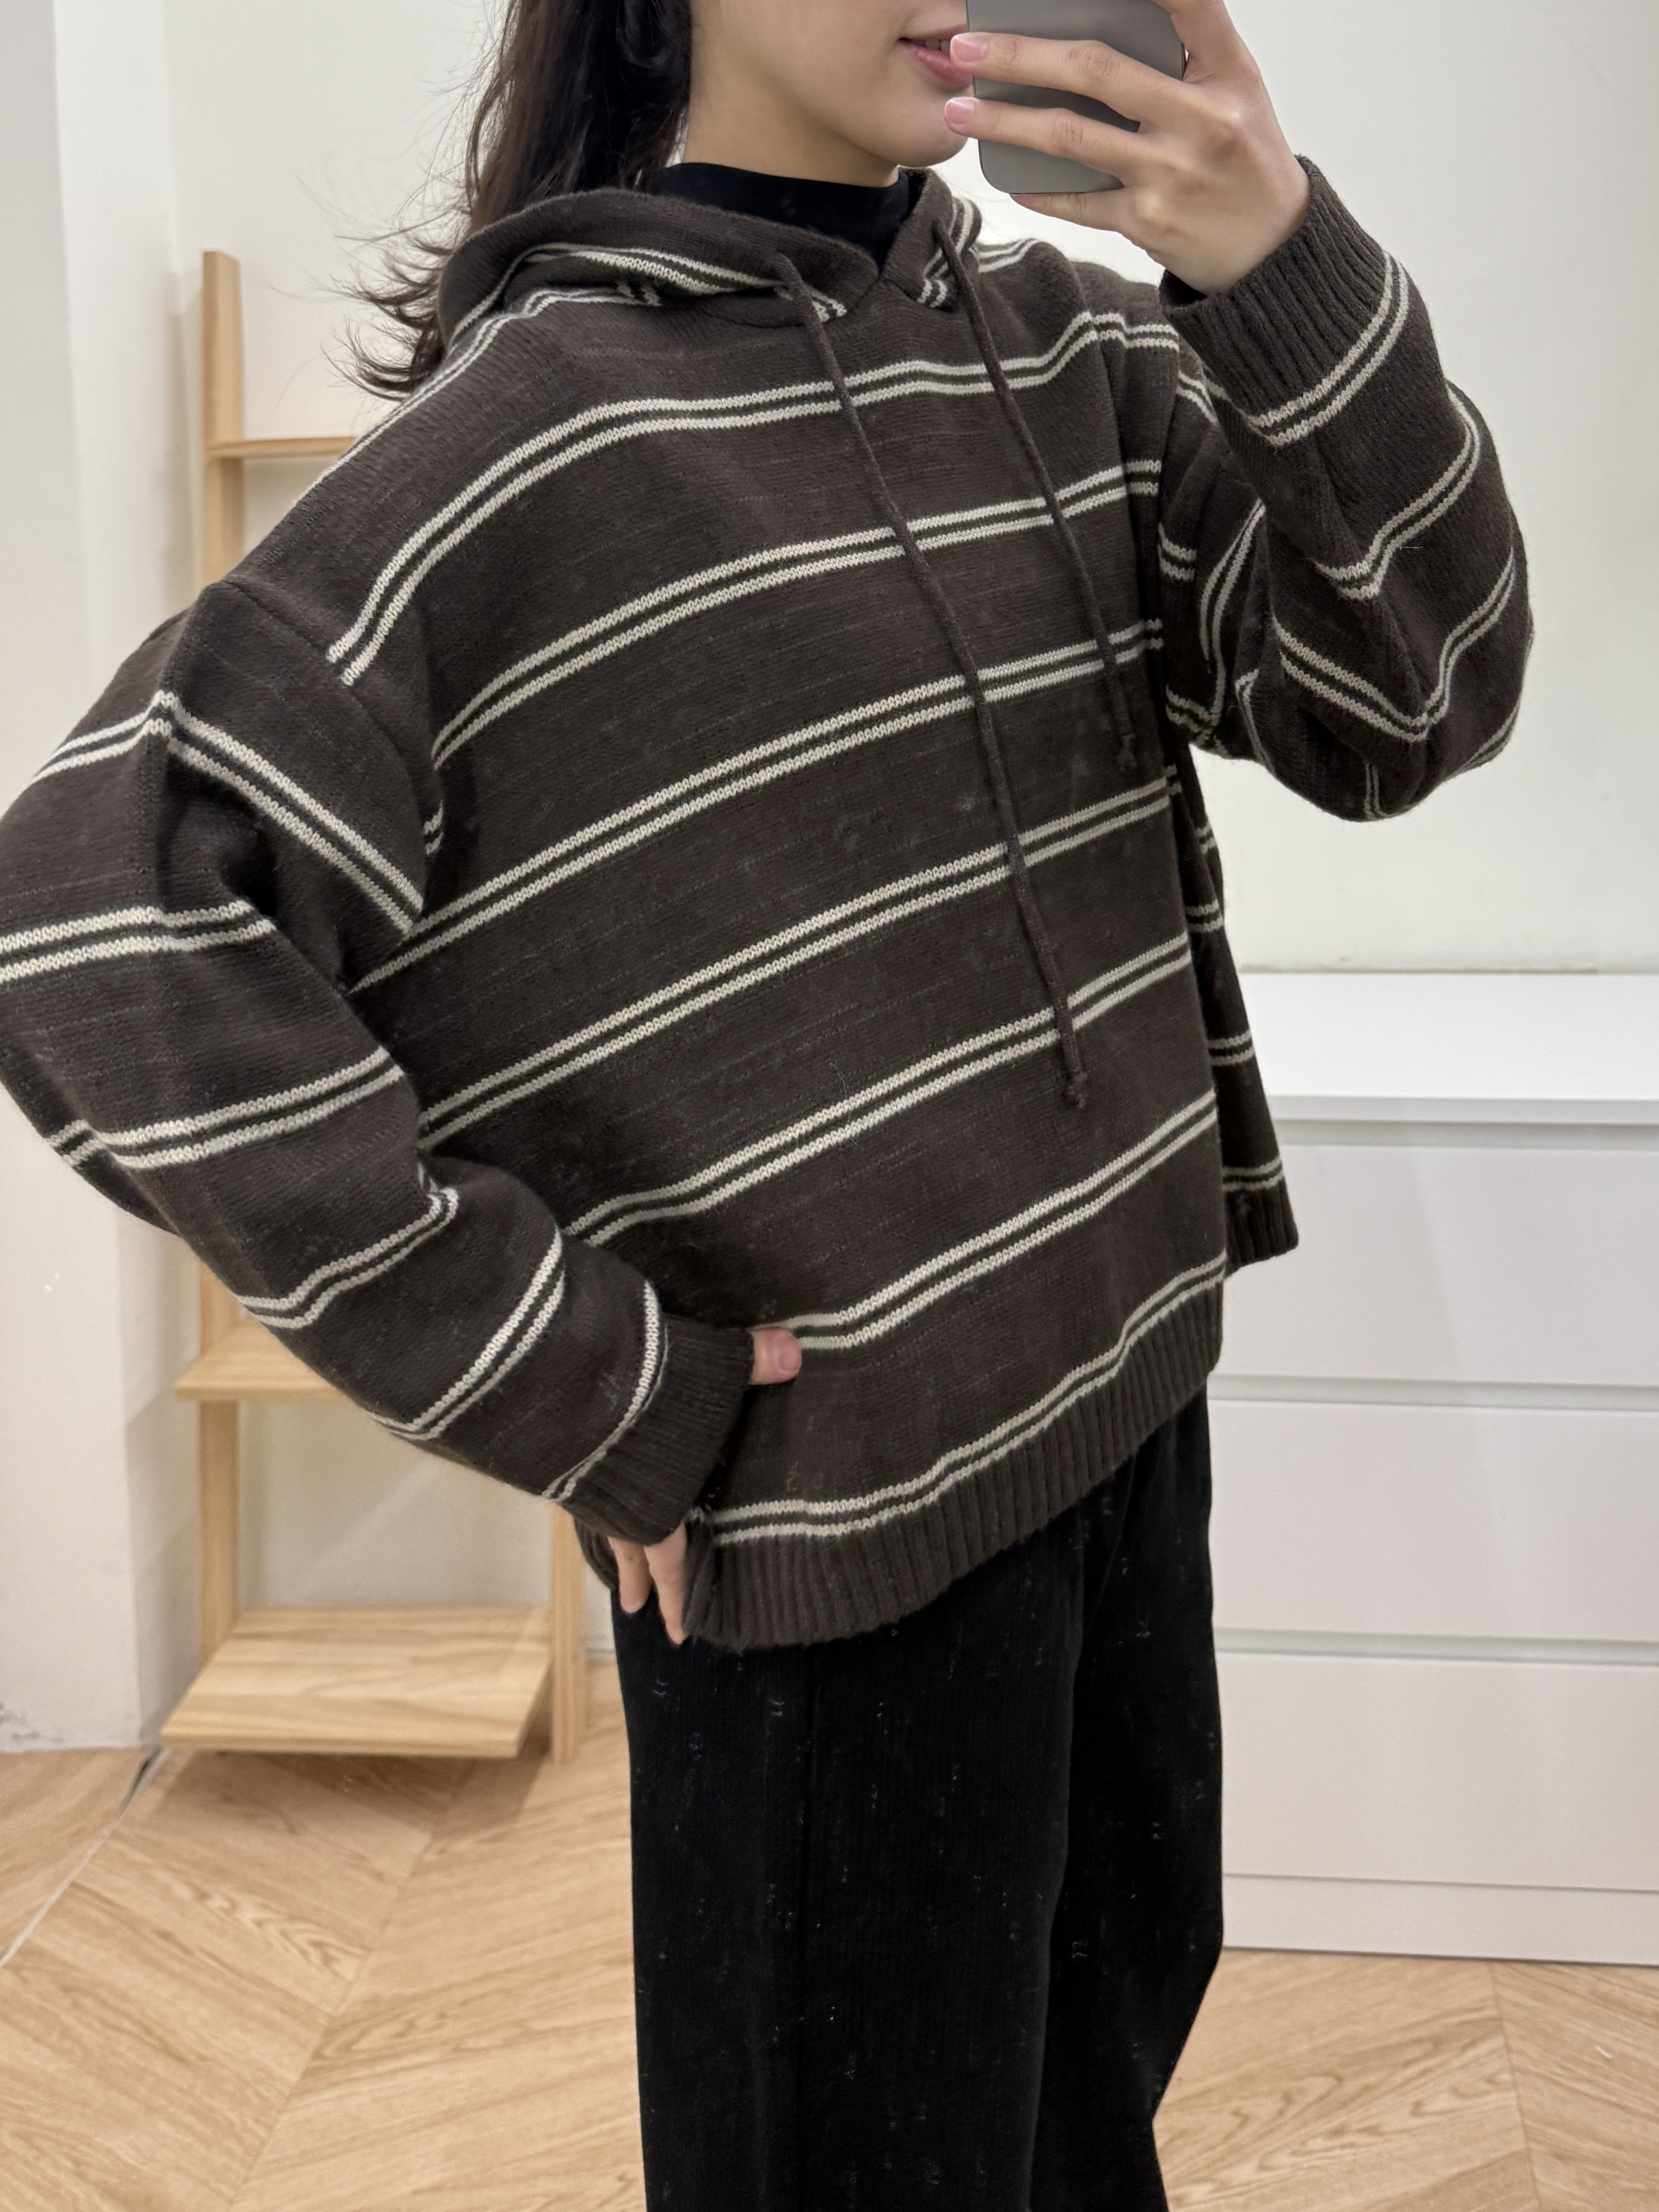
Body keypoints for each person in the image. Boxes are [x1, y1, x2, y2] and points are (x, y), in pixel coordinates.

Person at [0, 1, 1527, 2204]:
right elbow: (94, 931)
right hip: (830, 1561)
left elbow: (1418, 697)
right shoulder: (535, 447)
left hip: (1128, 1425)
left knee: (1084, 2124)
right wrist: (581, 1379)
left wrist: (1280, 262)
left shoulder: (1079, 355)